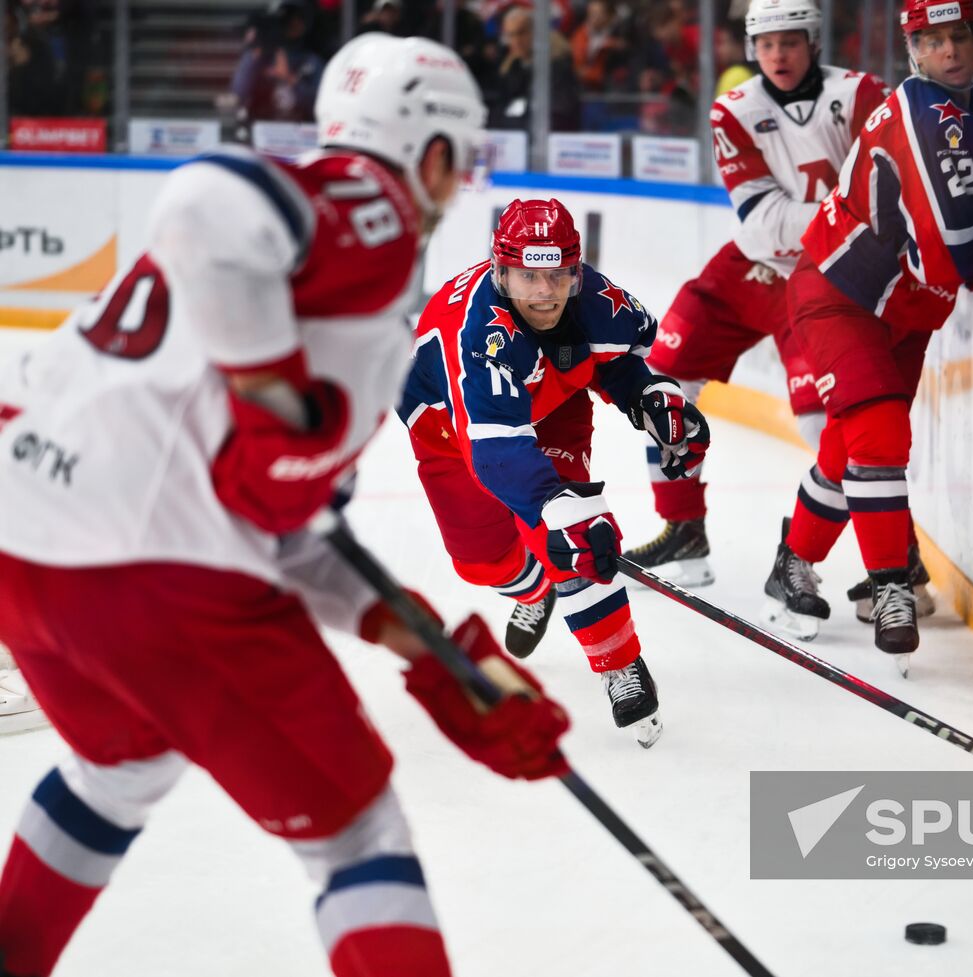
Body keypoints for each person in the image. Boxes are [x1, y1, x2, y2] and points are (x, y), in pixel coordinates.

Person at [0, 35, 570, 977]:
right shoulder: (371, 208)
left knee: (123, 764)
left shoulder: (320, 267)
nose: (458, 186)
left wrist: (435, 651)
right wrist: (272, 390)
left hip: (28, 546)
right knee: (360, 837)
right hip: (149, 569)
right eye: (460, 160)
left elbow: (290, 528)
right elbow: (203, 202)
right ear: (429, 151)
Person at [397, 198, 710, 748]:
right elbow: (496, 450)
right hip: (452, 432)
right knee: (483, 562)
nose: (543, 292)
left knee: (573, 530)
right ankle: (534, 586)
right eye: (527, 277)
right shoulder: (478, 331)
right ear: (501, 271)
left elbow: (619, 362)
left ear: (576, 269)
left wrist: (654, 400)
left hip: (553, 407)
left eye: (558, 276)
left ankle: (620, 664)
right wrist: (556, 511)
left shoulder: (594, 297)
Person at [761, 0, 973, 669]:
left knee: (851, 440)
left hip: (901, 306)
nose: (948, 52)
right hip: (841, 293)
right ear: (913, 52)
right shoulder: (930, 115)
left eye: (957, 36)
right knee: (878, 432)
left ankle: (793, 561)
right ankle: (891, 587)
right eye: (931, 42)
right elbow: (950, 253)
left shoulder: (971, 108)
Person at [622, 0, 893, 592]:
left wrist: (842, 224)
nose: (777, 55)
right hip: (750, 270)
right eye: (766, 45)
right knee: (660, 382)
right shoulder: (734, 108)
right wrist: (850, 216)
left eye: (789, 42)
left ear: (813, 41)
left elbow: (887, 202)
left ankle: (895, 561)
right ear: (751, 49)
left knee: (831, 426)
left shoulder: (863, 94)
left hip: (826, 283)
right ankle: (683, 527)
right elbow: (762, 225)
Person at [231, 0, 325, 123]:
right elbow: (238, 93)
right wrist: (256, 54)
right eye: (286, 19)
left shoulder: (312, 62)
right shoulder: (259, 57)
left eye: (298, 18)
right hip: (262, 129)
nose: (292, 23)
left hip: (300, 132)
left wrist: (290, 79)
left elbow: (320, 105)